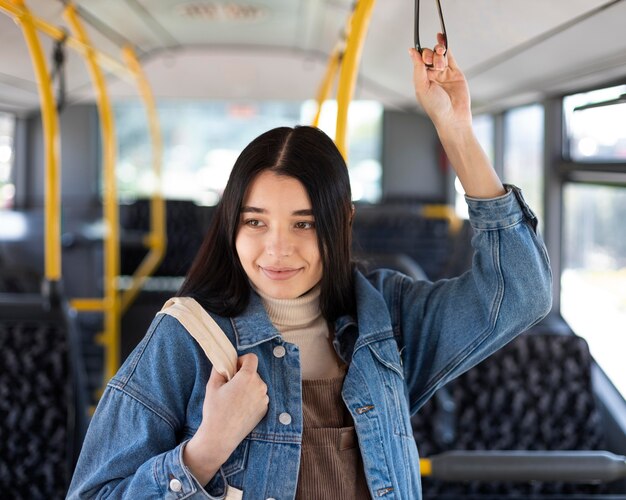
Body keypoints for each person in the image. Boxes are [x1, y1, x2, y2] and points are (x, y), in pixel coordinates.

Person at [67, 37, 552, 499]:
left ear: (342, 223)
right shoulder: (184, 339)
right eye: (255, 222)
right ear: (231, 224)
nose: (277, 250)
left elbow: (521, 293)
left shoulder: (389, 320)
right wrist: (204, 451)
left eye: (304, 224)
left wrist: (457, 131)